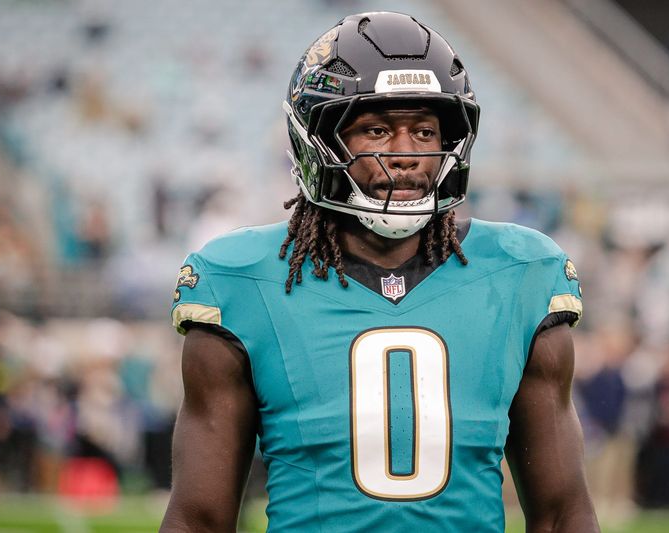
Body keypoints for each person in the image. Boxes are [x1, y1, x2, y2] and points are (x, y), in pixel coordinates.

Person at [160, 11, 599, 532]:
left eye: (424, 130)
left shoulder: (521, 273)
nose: (406, 155)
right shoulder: (241, 282)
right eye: (376, 129)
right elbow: (199, 519)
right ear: (318, 140)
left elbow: (562, 513)